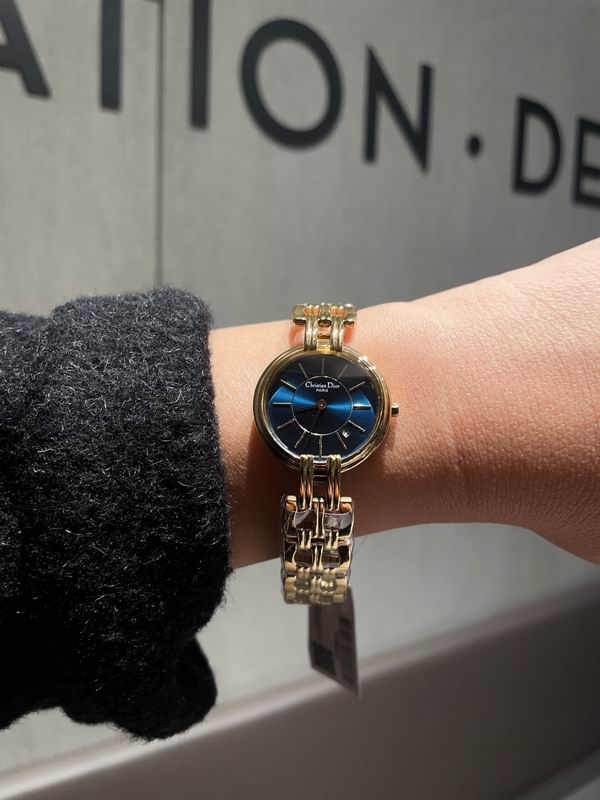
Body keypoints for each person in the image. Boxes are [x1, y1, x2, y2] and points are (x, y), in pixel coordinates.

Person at [1, 237, 598, 739]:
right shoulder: (313, 371)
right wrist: (448, 418)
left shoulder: (335, 388)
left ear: (384, 413)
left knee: (315, 576)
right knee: (314, 576)